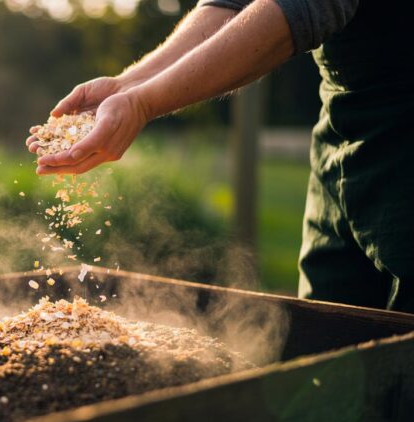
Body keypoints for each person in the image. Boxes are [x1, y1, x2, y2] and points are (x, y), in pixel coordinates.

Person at [27, 0, 414, 312]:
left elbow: (298, 11)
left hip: (402, 153)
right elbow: (232, 4)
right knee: (331, 345)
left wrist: (142, 103)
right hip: (341, 136)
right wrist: (128, 85)